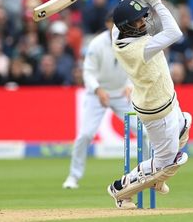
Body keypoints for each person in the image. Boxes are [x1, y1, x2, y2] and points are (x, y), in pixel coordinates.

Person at [101, 0, 191, 209]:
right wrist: (156, 1)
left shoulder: (118, 33)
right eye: (139, 22)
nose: (143, 23)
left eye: (142, 18)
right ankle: (120, 191)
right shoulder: (141, 48)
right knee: (170, 161)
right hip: (156, 109)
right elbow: (175, 33)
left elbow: (128, 3)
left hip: (167, 98)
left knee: (185, 125)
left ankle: (157, 175)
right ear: (128, 28)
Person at [62, 13, 149, 189]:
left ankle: (148, 172)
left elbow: (134, 67)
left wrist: (128, 84)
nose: (115, 27)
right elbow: (88, 72)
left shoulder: (129, 41)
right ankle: (73, 177)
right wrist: (97, 89)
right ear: (107, 23)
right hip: (97, 96)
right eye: (112, 24)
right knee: (84, 135)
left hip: (121, 96)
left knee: (144, 132)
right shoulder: (96, 44)